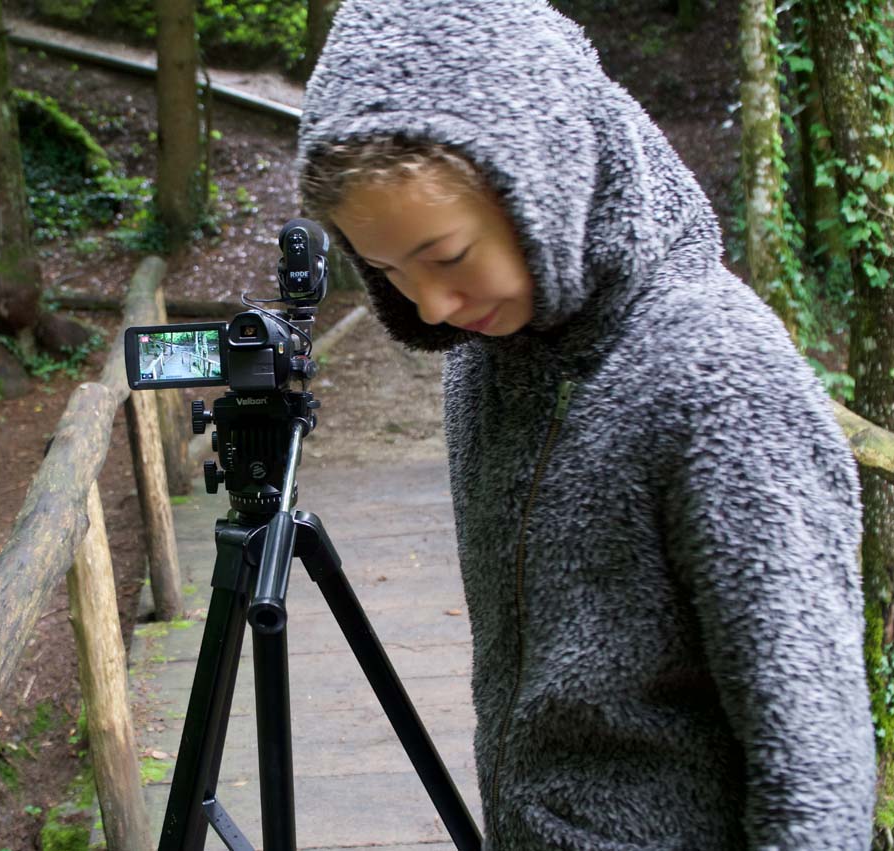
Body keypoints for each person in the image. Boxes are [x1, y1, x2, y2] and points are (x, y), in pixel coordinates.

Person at [296, 2, 875, 849]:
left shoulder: (719, 377)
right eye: (388, 270)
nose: (432, 304)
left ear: (544, 174)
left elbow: (815, 758)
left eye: (448, 256)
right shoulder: (485, 361)